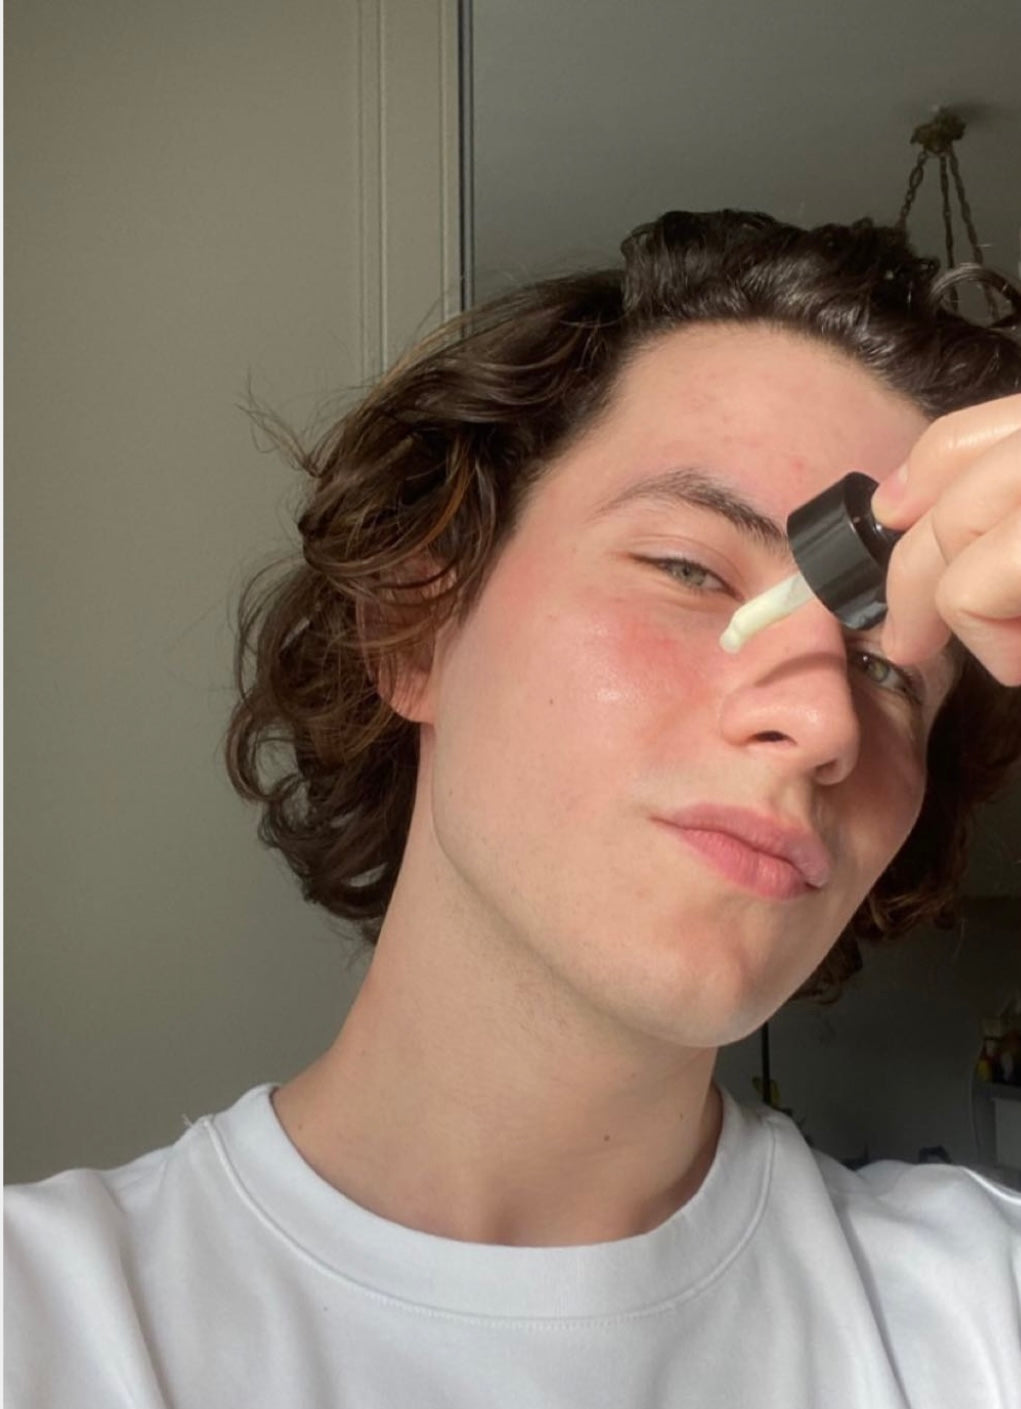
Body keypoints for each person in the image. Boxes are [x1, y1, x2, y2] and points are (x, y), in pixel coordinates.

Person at [6, 210, 1021, 1407]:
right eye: (691, 570)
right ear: (414, 628)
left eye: (889, 670)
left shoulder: (981, 1309)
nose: (824, 721)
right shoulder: (47, 1326)